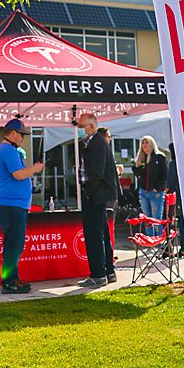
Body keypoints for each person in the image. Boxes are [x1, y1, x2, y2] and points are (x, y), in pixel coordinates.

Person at [0, 119, 45, 294]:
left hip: (11, 204)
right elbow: (19, 175)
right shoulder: (8, 149)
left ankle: (12, 279)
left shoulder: (8, 149)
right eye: (22, 135)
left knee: (13, 244)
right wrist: (35, 169)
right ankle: (9, 282)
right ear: (13, 133)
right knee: (14, 245)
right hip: (10, 205)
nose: (23, 138)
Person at [77, 113, 119, 288]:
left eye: (81, 126)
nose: (79, 130)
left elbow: (97, 172)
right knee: (102, 233)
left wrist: (88, 192)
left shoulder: (97, 143)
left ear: (91, 126)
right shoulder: (94, 142)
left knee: (95, 235)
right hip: (98, 194)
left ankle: (98, 274)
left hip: (96, 195)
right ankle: (108, 271)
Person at [133, 135, 168, 236]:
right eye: (143, 143)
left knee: (156, 219)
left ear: (152, 144)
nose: (144, 145)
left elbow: (165, 174)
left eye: (146, 142)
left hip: (156, 192)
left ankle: (160, 244)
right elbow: (135, 170)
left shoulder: (159, 157)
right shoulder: (141, 159)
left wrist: (158, 188)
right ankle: (150, 244)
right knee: (146, 219)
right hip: (144, 192)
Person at [98, 125, 123, 262]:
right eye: (108, 136)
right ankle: (108, 255)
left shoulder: (105, 150)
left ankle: (110, 253)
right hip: (107, 194)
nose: (110, 139)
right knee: (107, 225)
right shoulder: (102, 151)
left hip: (110, 194)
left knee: (109, 225)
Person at [165, 142, 184, 256]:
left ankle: (169, 248)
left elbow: (170, 180)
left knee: (171, 223)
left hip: (174, 197)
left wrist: (165, 191)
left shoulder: (173, 163)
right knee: (183, 224)